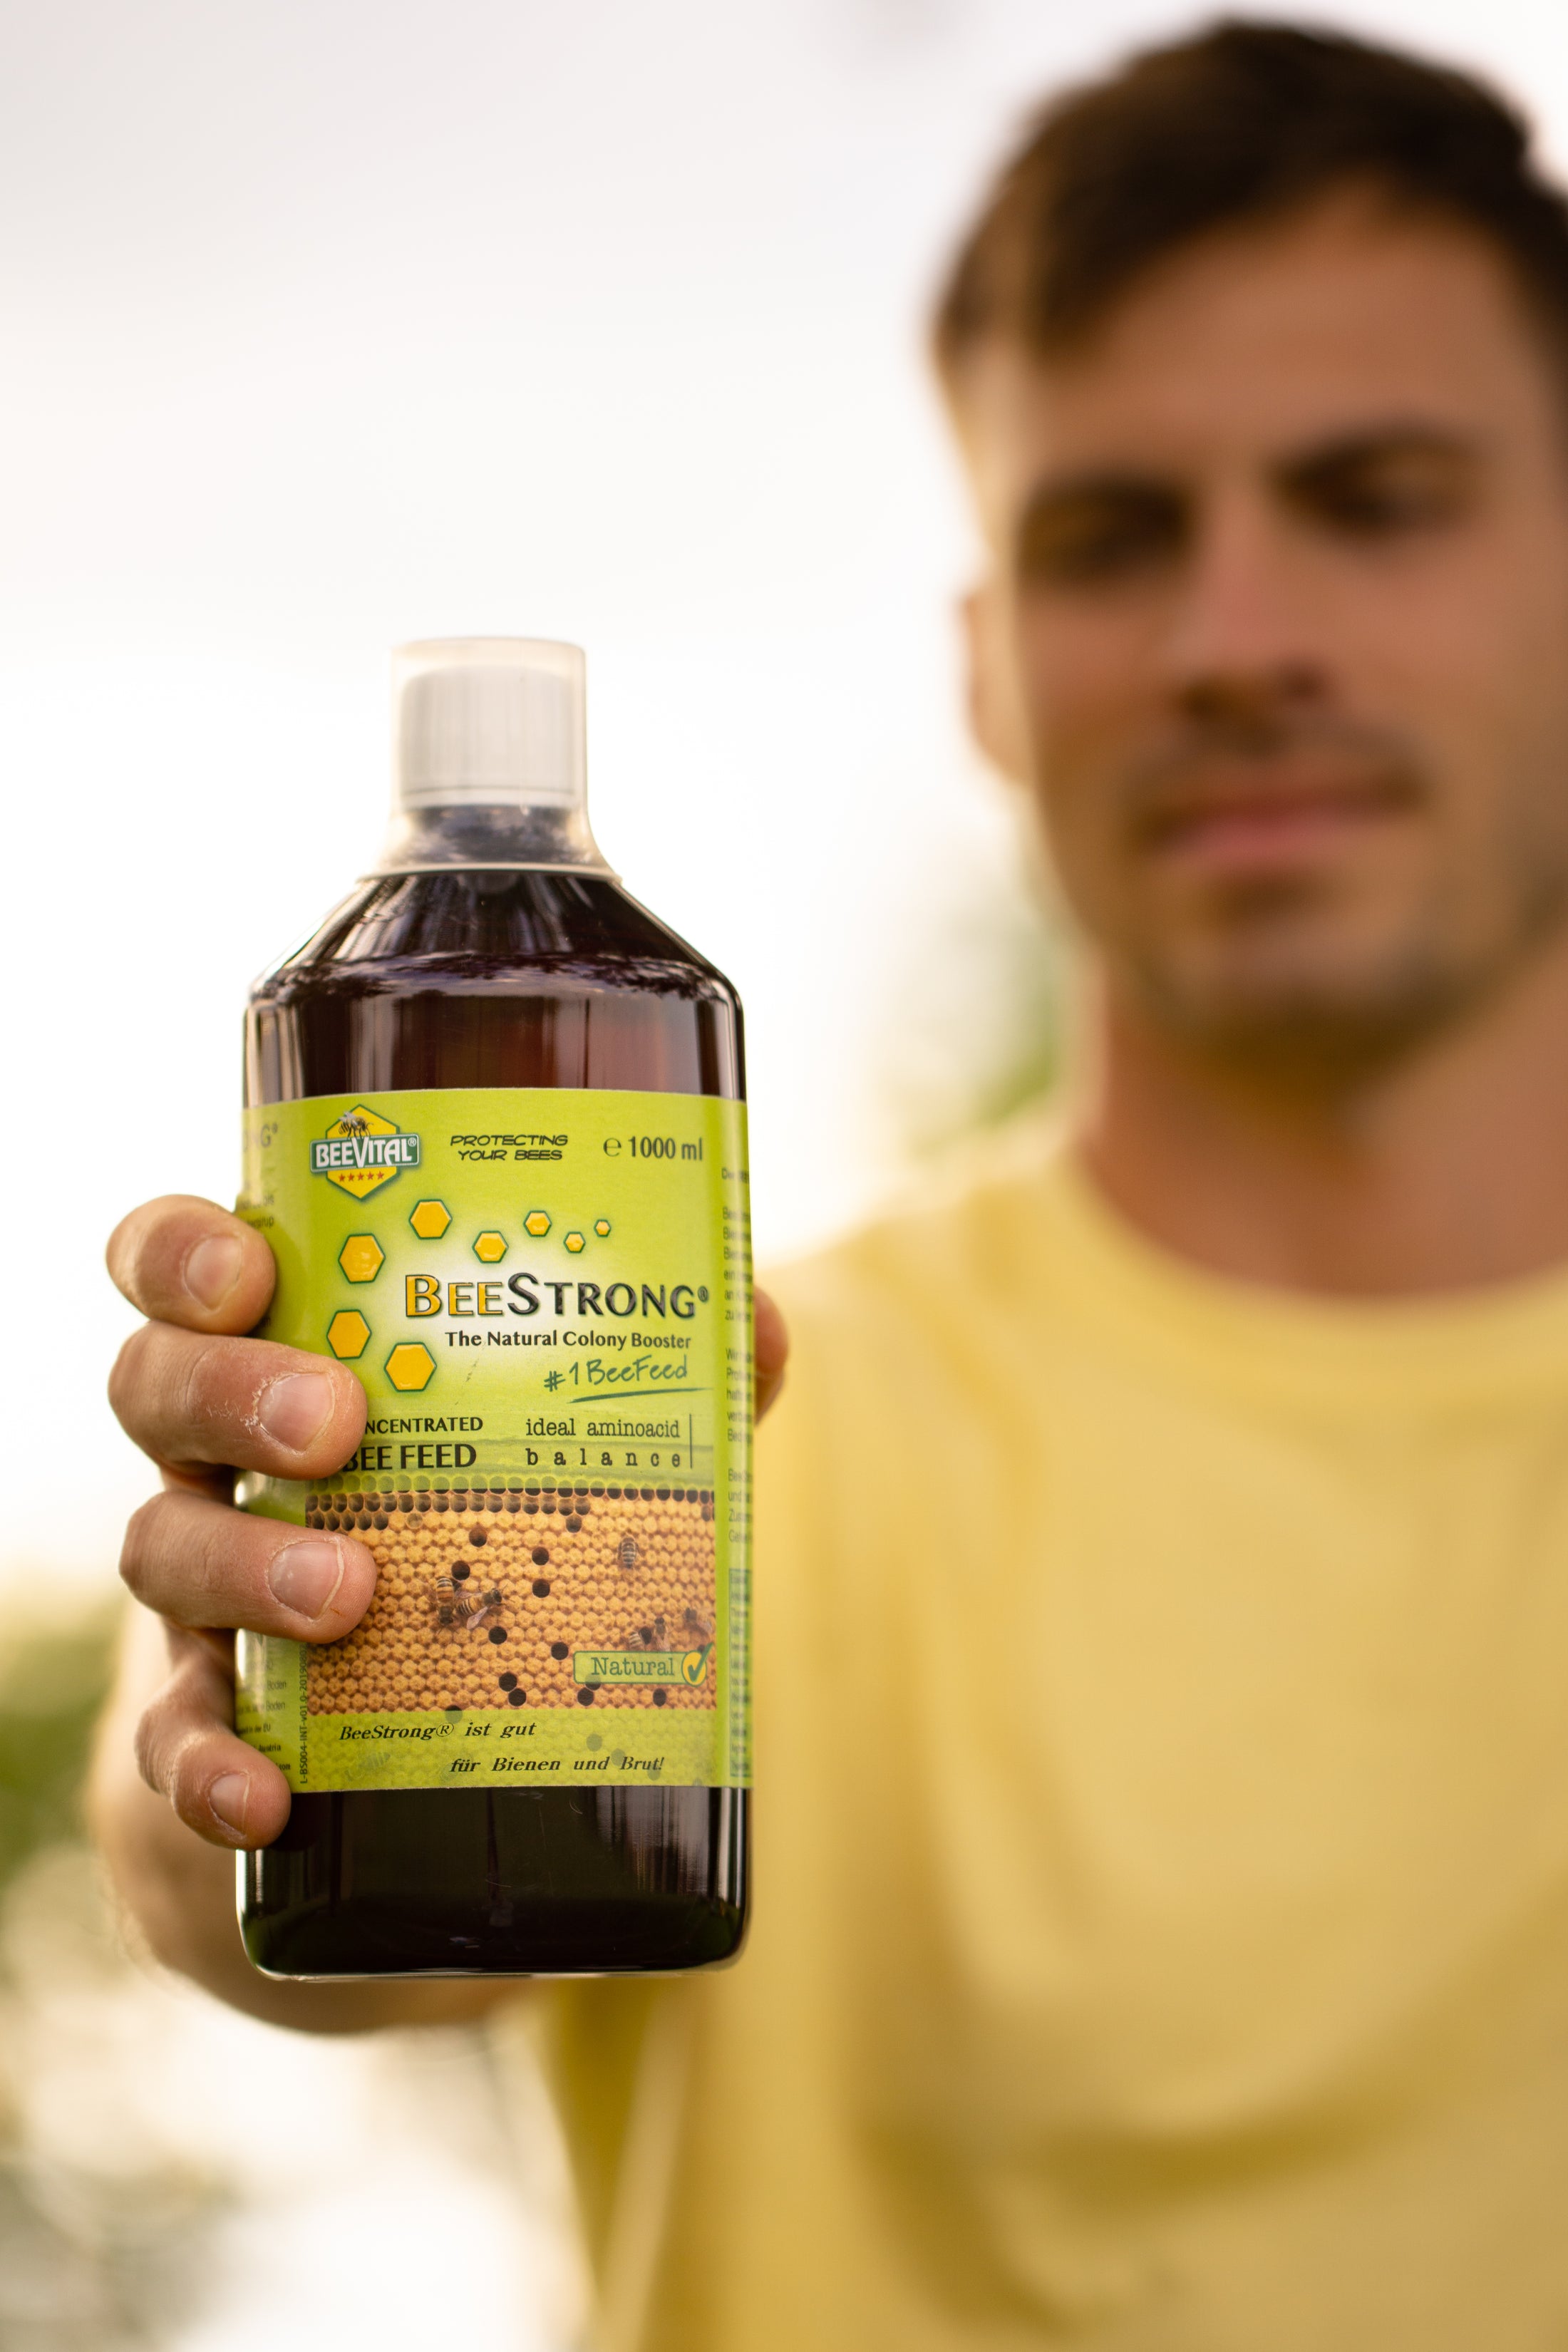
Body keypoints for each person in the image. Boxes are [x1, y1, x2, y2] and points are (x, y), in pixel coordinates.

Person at [88, 19, 1568, 2346]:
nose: (1237, 643)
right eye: (1111, 535)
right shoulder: (718, 1401)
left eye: (1378, 496)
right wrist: (223, 1723)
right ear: (986, 664)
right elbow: (278, 1935)